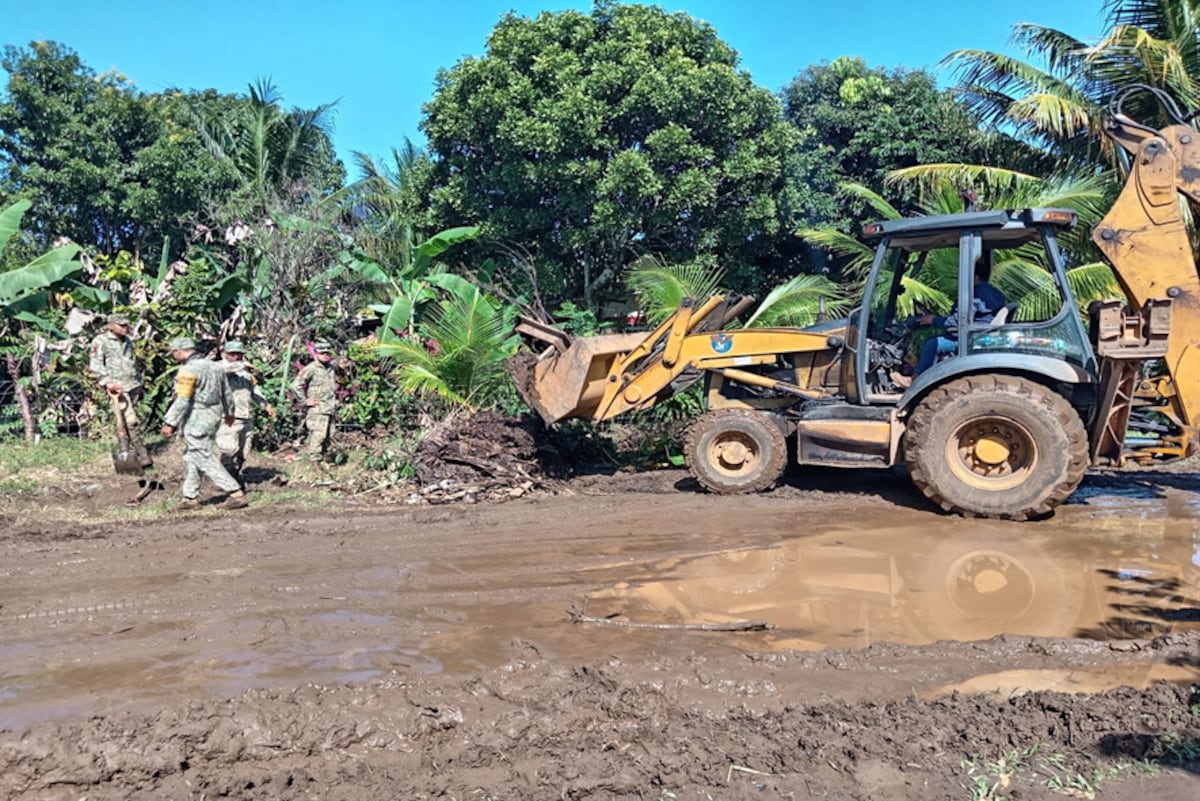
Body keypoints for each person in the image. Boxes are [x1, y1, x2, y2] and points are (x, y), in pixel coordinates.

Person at [160, 337, 248, 510]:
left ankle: (235, 492)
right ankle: (190, 497)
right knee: (193, 455)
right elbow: (227, 392)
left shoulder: (187, 370)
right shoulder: (215, 366)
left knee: (202, 455)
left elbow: (182, 400)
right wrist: (230, 412)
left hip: (197, 416)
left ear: (179, 351)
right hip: (214, 415)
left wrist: (170, 422)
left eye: (173, 353)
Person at [913, 260, 1007, 375]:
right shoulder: (994, 292)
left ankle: (916, 377)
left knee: (933, 343)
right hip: (981, 332)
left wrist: (933, 320)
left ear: (975, 277)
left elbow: (960, 319)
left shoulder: (976, 294)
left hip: (972, 338)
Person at [88, 312, 151, 468]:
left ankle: (129, 452)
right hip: (117, 387)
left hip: (132, 384)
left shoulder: (127, 341)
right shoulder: (101, 341)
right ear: (110, 325)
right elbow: (95, 365)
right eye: (121, 325)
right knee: (130, 420)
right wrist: (107, 382)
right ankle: (141, 455)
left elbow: (131, 361)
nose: (125, 328)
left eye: (126, 325)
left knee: (127, 419)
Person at [215, 340, 276, 483]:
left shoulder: (246, 373)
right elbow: (222, 373)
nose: (236, 356)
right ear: (224, 354)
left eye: (239, 354)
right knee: (229, 450)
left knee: (243, 452)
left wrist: (265, 405)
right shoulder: (218, 368)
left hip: (245, 416)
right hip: (227, 416)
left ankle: (234, 476)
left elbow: (254, 390)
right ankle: (228, 482)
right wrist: (241, 365)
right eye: (233, 354)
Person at [290, 341, 337, 463]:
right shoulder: (311, 368)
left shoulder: (331, 368)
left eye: (328, 353)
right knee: (318, 437)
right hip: (318, 410)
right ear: (316, 354)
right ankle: (314, 464)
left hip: (329, 409)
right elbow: (295, 385)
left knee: (329, 437)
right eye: (322, 353)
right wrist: (305, 401)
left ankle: (326, 462)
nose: (326, 355)